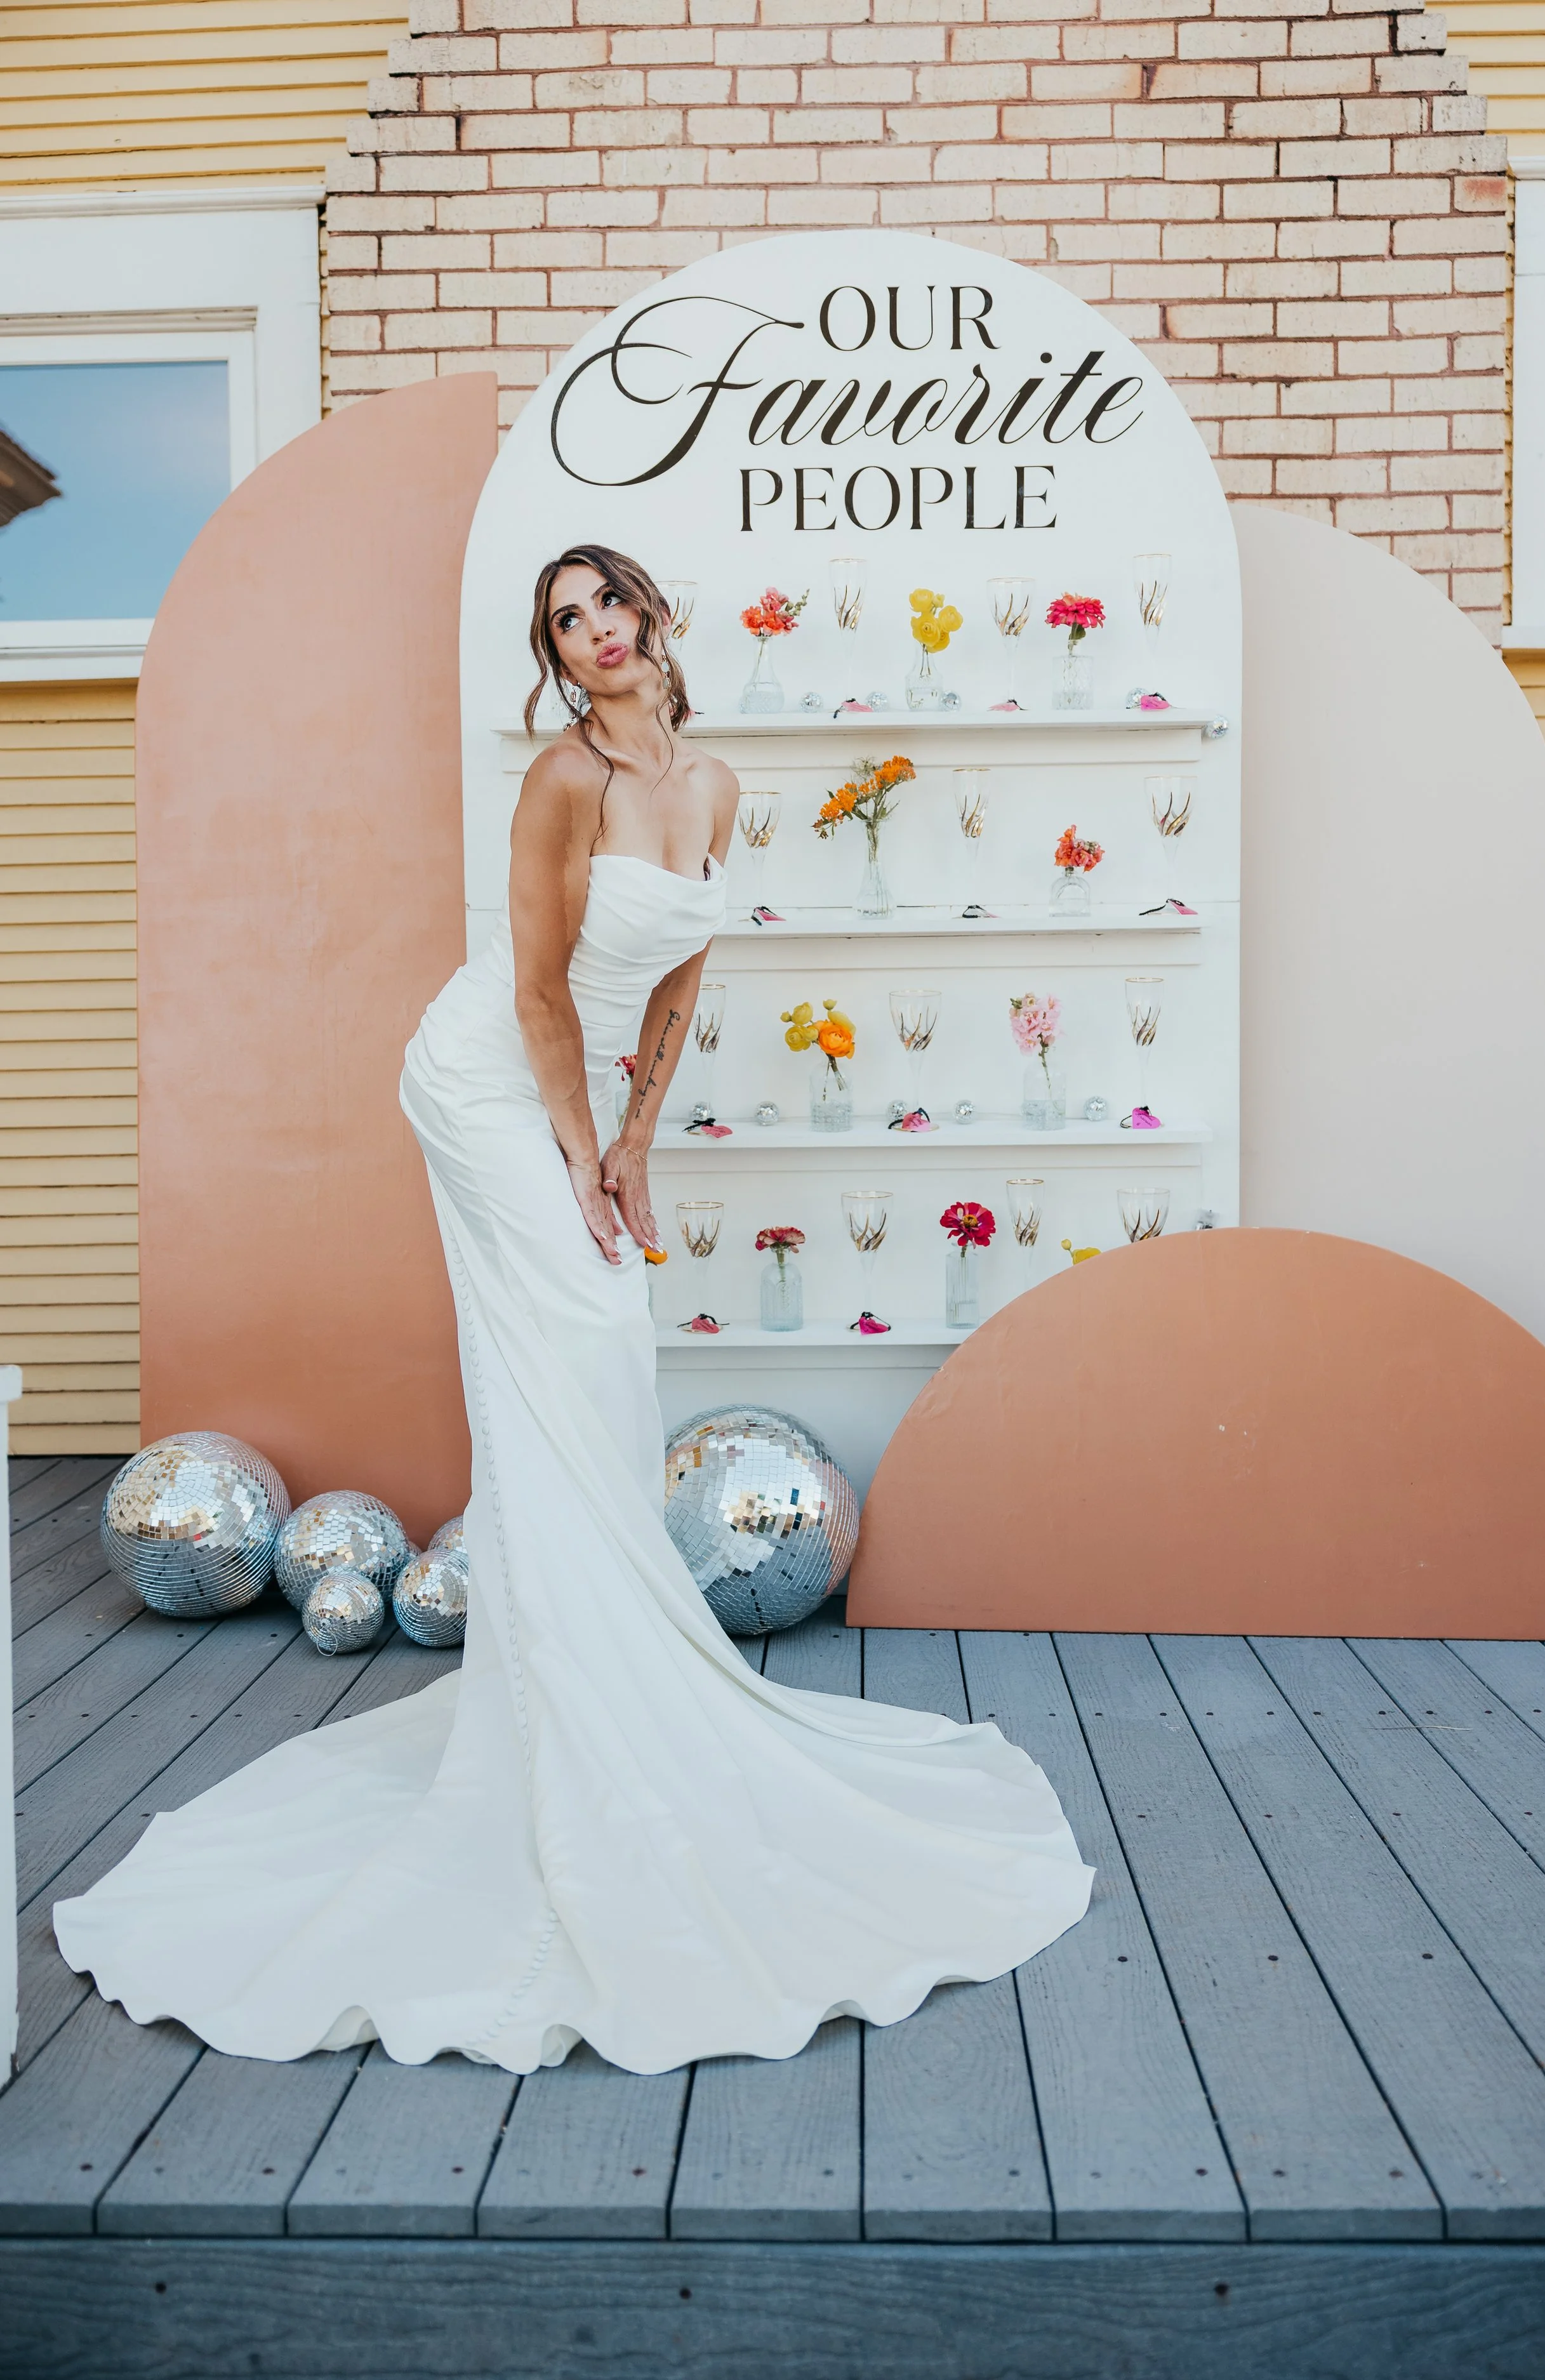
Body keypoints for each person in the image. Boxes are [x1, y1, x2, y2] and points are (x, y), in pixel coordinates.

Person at [54, 544, 1093, 2073]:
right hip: (482, 1081)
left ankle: (604, 1657)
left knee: (603, 1343)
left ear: (654, 618)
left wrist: (631, 1147)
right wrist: (565, 1150)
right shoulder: (563, 781)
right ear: (552, 652)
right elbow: (540, 991)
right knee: (578, 1331)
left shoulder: (715, 782)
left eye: (609, 605)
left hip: (579, 1096)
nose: (594, 634)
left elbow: (677, 983)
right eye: (564, 621)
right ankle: (569, 1696)